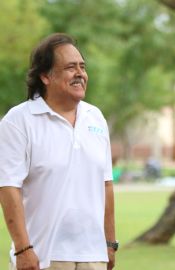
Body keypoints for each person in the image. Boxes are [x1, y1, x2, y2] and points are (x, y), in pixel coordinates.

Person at [0, 33, 117, 270]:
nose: (80, 74)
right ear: (45, 76)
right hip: (42, 256)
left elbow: (106, 184)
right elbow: (8, 187)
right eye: (70, 67)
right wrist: (23, 249)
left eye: (82, 67)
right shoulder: (18, 121)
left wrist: (109, 243)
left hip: (93, 256)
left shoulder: (95, 117)